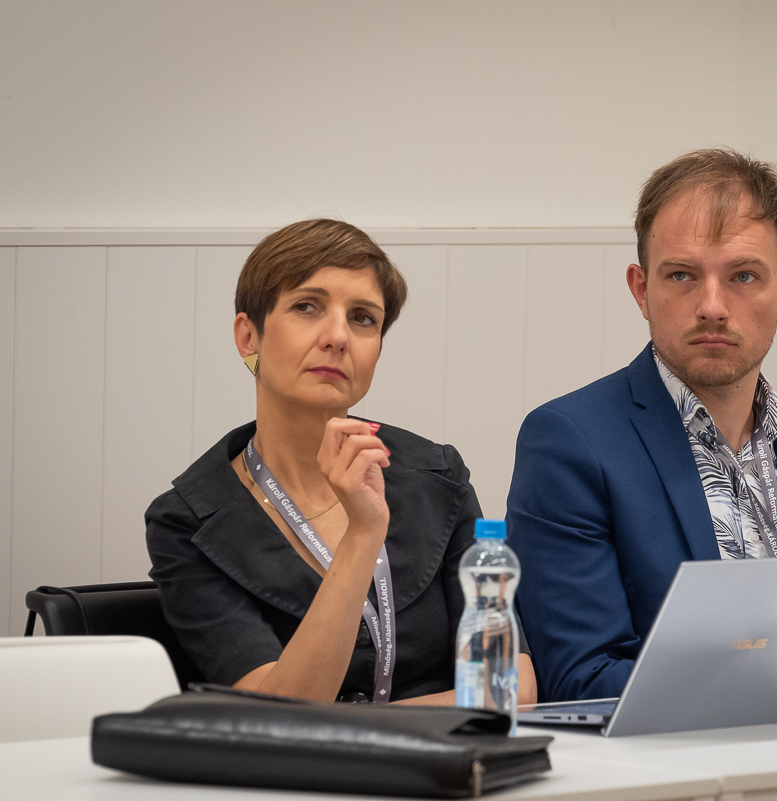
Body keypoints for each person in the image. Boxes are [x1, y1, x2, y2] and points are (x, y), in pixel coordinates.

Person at [507, 149, 777, 703]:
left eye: (743, 276)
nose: (713, 306)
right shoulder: (570, 443)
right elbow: (583, 681)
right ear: (642, 290)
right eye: (682, 275)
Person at [146, 219, 536, 704]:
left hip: (444, 750)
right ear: (249, 337)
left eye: (363, 318)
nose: (337, 336)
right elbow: (282, 713)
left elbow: (509, 686)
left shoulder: (438, 476)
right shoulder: (187, 521)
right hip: (324, 760)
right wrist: (363, 533)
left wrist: (363, 726)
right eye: (306, 307)